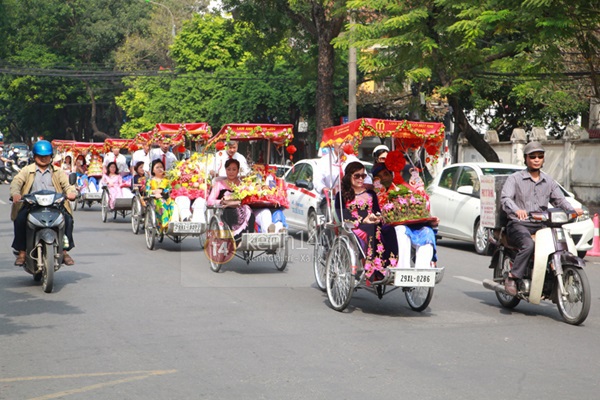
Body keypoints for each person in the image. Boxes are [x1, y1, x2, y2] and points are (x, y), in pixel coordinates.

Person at [500, 141, 582, 296]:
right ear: (526, 159)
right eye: (532, 157)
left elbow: (560, 200)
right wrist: (517, 210)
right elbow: (505, 199)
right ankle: (512, 277)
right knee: (528, 245)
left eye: (540, 156)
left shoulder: (548, 181)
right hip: (519, 224)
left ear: (543, 159)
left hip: (542, 225)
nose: (536, 159)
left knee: (559, 244)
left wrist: (572, 210)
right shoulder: (515, 179)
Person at [10, 140, 77, 266]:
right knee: (20, 219)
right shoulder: (26, 170)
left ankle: (64, 251)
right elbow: (16, 182)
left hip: (54, 205)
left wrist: (71, 193)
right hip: (32, 205)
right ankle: (22, 252)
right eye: (40, 156)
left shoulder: (58, 171)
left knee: (67, 219)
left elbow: (67, 185)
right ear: (34, 156)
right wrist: (15, 193)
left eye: (46, 156)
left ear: (51, 157)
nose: (43, 159)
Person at [372, 162, 437, 269]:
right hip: (392, 225)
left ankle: (423, 270)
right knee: (401, 230)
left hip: (414, 222)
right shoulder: (377, 194)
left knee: (428, 232)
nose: (384, 178)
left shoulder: (405, 189)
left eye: (386, 174)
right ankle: (402, 269)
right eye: (380, 177)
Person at [334, 161, 385, 281]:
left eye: (363, 176)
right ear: (349, 177)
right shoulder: (341, 195)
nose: (361, 179)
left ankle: (389, 265)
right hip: (354, 227)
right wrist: (363, 220)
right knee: (373, 229)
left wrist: (377, 217)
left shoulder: (371, 193)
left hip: (372, 223)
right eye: (357, 176)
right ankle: (371, 268)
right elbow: (342, 215)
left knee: (389, 229)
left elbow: (377, 211)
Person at [314, 142, 373, 217]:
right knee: (333, 216)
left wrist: (360, 188)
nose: (343, 144)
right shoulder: (323, 161)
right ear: (333, 143)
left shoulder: (353, 160)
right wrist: (326, 189)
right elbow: (317, 181)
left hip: (354, 198)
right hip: (331, 199)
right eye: (339, 141)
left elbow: (367, 180)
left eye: (345, 142)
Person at [146, 159, 179, 230]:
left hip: (166, 198)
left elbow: (170, 189)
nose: (160, 169)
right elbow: (147, 191)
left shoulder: (167, 180)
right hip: (155, 200)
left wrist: (162, 191)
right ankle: (165, 223)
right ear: (153, 170)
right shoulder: (150, 181)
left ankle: (174, 222)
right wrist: (154, 192)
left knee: (174, 204)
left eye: (161, 167)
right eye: (157, 167)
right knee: (161, 203)